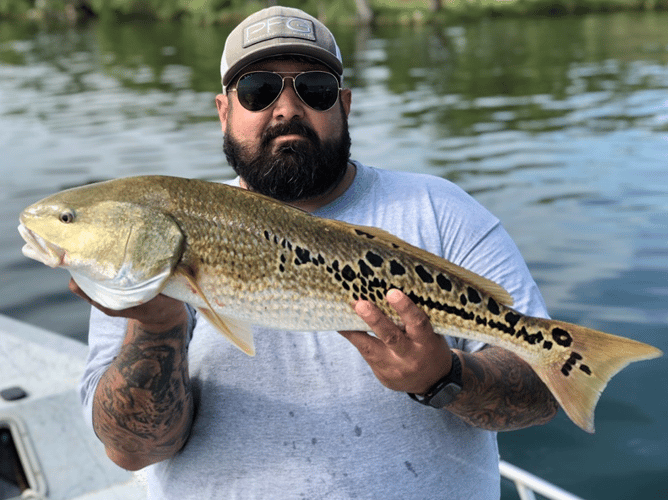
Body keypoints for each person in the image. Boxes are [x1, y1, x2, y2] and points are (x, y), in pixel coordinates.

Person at [75, 6, 557, 499]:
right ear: (224, 110)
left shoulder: (440, 211)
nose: (287, 109)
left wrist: (445, 377)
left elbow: (544, 388)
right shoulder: (155, 238)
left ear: (344, 104)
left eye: (315, 89)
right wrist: (157, 327)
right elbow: (132, 450)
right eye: (258, 90)